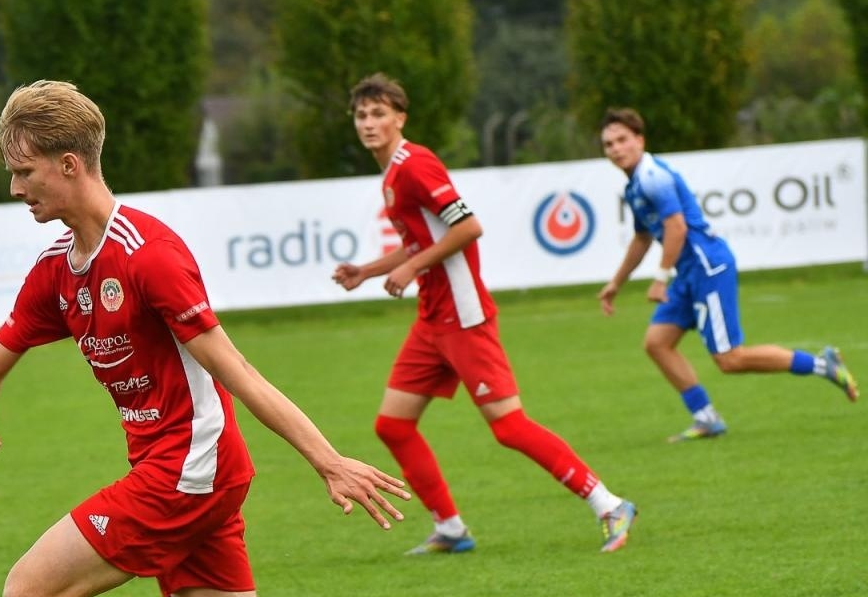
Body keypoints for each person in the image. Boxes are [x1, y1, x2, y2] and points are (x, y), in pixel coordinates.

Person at [0, 80, 415, 597]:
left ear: (70, 165)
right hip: (197, 472)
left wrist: (326, 459)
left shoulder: (151, 256)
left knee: (31, 594)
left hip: (187, 469)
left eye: (25, 170)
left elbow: (237, 370)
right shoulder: (57, 272)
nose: (15, 188)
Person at [332, 73, 637, 555]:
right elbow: (420, 242)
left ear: (400, 118)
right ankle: (450, 528)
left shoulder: (416, 165)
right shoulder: (392, 173)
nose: (369, 123)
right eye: (362, 115)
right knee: (392, 425)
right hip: (432, 317)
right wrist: (367, 271)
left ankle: (608, 503)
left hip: (462, 314)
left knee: (509, 426)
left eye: (379, 114)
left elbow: (468, 227)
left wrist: (411, 265)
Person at [596, 107, 858, 440]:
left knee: (730, 359)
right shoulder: (635, 186)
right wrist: (616, 283)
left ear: (639, 140)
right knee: (657, 343)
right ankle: (706, 418)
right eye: (608, 144)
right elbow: (643, 237)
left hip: (708, 267)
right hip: (689, 271)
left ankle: (824, 365)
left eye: (622, 140)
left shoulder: (652, 177)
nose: (616, 149)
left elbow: (675, 227)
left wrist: (660, 277)